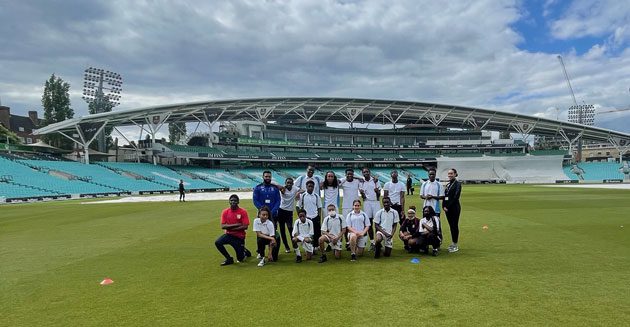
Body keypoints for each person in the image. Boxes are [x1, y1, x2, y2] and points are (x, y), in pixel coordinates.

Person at [215, 194, 250, 266]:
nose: (233, 202)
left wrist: (230, 228)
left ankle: (244, 251)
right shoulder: (225, 212)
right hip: (229, 235)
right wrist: (237, 224)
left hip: (239, 237)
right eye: (231, 200)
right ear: (229, 202)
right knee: (218, 242)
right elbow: (223, 226)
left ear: (238, 202)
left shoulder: (243, 212)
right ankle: (229, 258)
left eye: (235, 200)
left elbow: (245, 226)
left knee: (240, 259)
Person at [339, 168, 362, 249]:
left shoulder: (356, 181)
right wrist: (345, 178)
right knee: (345, 226)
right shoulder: (343, 181)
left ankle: (355, 241)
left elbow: (362, 180)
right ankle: (348, 242)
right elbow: (337, 182)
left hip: (355, 206)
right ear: (345, 175)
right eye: (348, 174)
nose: (349, 175)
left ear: (353, 174)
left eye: (351, 174)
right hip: (345, 206)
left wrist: (356, 178)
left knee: (354, 225)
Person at [359, 167, 381, 251]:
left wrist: (377, 192)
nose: (366, 173)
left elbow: (379, 195)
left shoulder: (375, 180)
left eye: (367, 172)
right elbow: (363, 197)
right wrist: (362, 194)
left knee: (377, 223)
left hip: (376, 202)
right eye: (364, 172)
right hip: (367, 203)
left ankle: (378, 242)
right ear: (362, 173)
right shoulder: (361, 182)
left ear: (369, 172)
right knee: (369, 223)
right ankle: (372, 242)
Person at [297, 180, 322, 252]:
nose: (310, 188)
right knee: (308, 233)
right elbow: (298, 206)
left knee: (316, 233)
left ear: (314, 187)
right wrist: (300, 216)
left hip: (315, 217)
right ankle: (309, 247)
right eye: (309, 186)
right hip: (306, 218)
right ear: (306, 187)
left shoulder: (316, 196)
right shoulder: (303, 196)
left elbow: (319, 207)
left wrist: (319, 216)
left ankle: (316, 246)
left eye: (312, 186)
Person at [443, 168, 462, 253]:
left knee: (454, 225)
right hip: (447, 208)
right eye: (449, 174)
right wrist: (443, 205)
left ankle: (455, 244)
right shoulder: (448, 184)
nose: (449, 175)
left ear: (455, 174)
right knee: (451, 226)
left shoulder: (457, 184)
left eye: (451, 173)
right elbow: (445, 196)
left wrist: (448, 206)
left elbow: (456, 197)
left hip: (454, 208)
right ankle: (453, 243)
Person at [278, 177, 300, 253]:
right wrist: (282, 188)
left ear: (293, 183)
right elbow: (277, 187)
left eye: (290, 183)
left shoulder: (294, 188)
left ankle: (294, 245)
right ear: (285, 183)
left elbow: (302, 189)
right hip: (281, 211)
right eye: (287, 182)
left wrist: (298, 192)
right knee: (282, 230)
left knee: (291, 228)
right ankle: (286, 247)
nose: (289, 184)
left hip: (289, 211)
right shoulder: (283, 189)